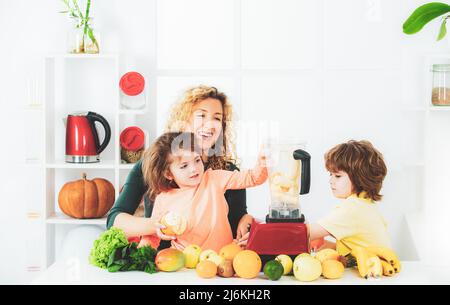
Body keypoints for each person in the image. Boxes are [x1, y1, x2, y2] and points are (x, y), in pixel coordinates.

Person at [107, 85, 254, 249]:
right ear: (184, 120)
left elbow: (237, 223)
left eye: (217, 118)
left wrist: (247, 223)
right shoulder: (151, 164)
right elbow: (115, 220)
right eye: (201, 115)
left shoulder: (229, 172)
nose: (210, 124)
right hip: (163, 266)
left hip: (211, 266)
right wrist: (155, 225)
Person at [140, 132, 267, 252]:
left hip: (222, 261)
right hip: (185, 266)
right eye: (184, 166)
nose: (194, 169)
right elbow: (153, 235)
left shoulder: (214, 179)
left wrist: (263, 160)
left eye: (197, 160)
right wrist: (140, 256)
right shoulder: (164, 199)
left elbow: (253, 178)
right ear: (168, 174)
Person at [307, 140, 391, 256]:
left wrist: (277, 231)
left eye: (337, 176)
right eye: (330, 174)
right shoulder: (365, 205)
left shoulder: (352, 209)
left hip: (371, 270)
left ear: (359, 178)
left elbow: (305, 233)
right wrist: (324, 244)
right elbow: (356, 248)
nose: (331, 181)